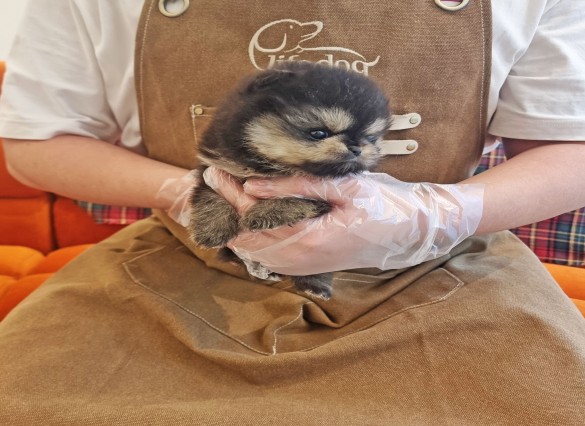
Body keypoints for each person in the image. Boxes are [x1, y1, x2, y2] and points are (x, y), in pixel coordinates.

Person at [0, 0, 584, 424]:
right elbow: (34, 143)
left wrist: (432, 215)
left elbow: (571, 150)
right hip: (187, 260)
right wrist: (186, 191)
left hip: (440, 269)